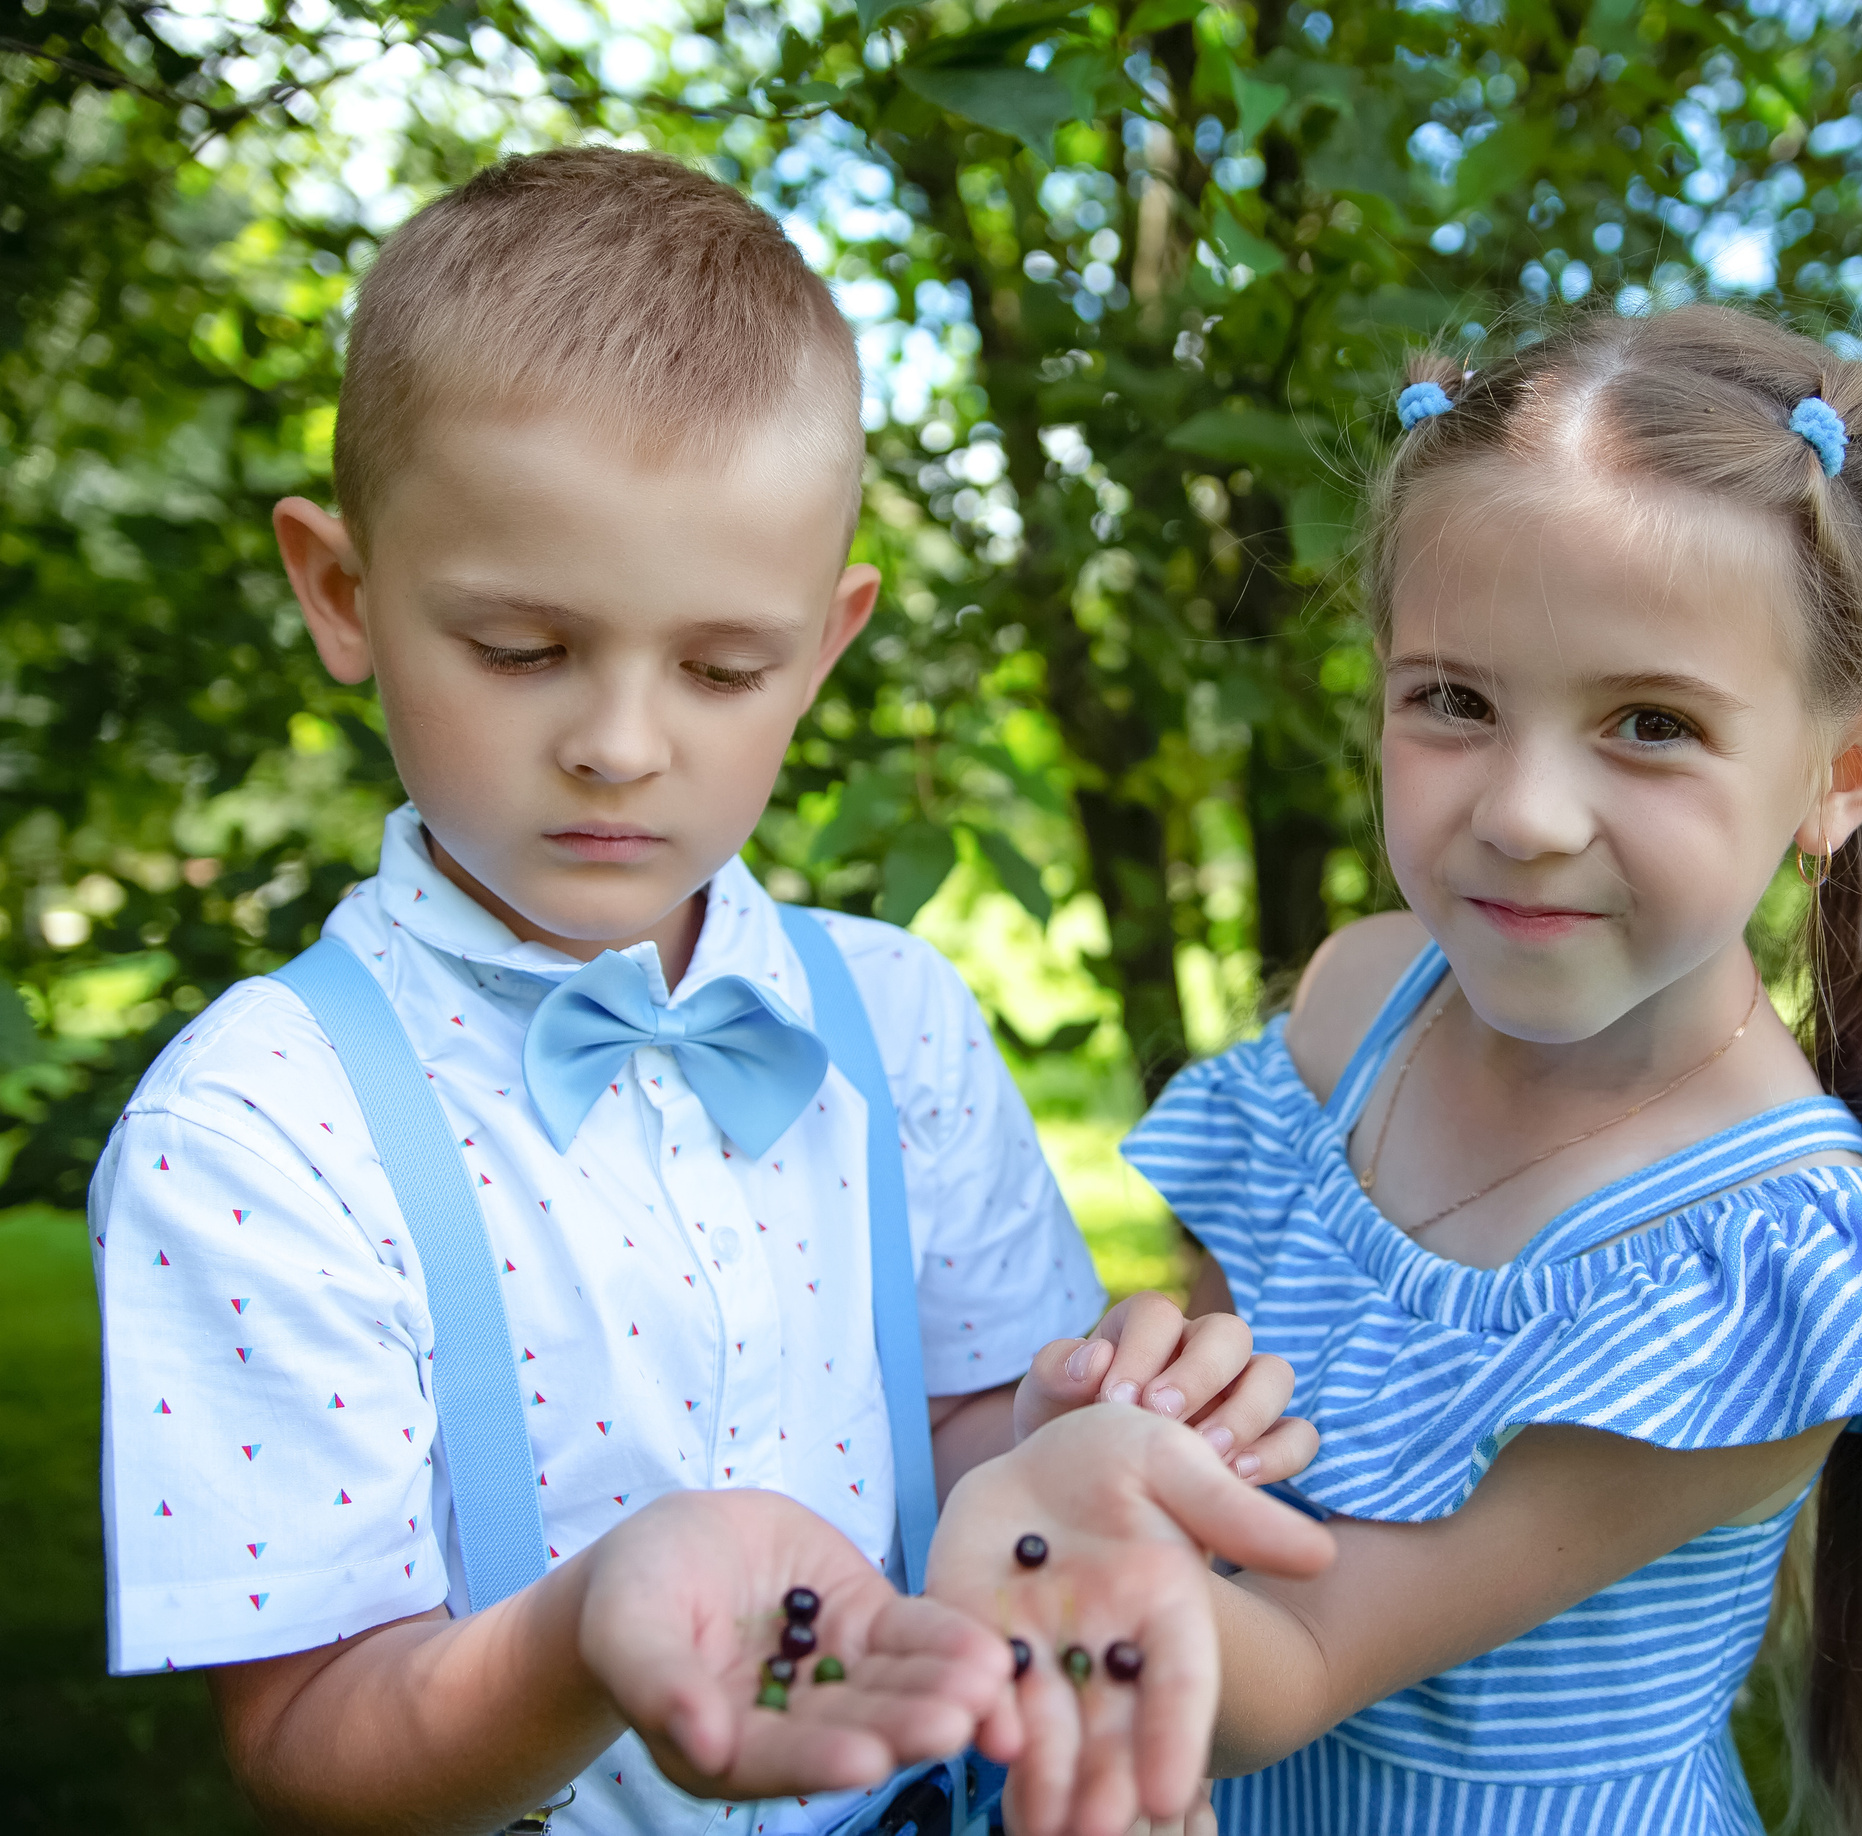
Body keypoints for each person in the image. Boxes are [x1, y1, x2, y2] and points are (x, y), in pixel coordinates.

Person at [88, 147, 1312, 1836]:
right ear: (344, 594)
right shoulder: (257, 1132)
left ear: (823, 646)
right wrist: (592, 1629)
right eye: (521, 649)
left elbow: (964, 1420)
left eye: (724, 667)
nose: (619, 741)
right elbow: (314, 1735)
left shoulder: (895, 1022)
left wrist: (1069, 1434)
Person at [1119, 304, 1862, 1834]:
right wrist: (1138, 1388)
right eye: (1453, 699)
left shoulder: (1756, 1266)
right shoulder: (1355, 1006)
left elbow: (1303, 1660)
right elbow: (1207, 1392)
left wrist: (1046, 1526)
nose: (1527, 813)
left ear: (1843, 772)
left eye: (1650, 724)